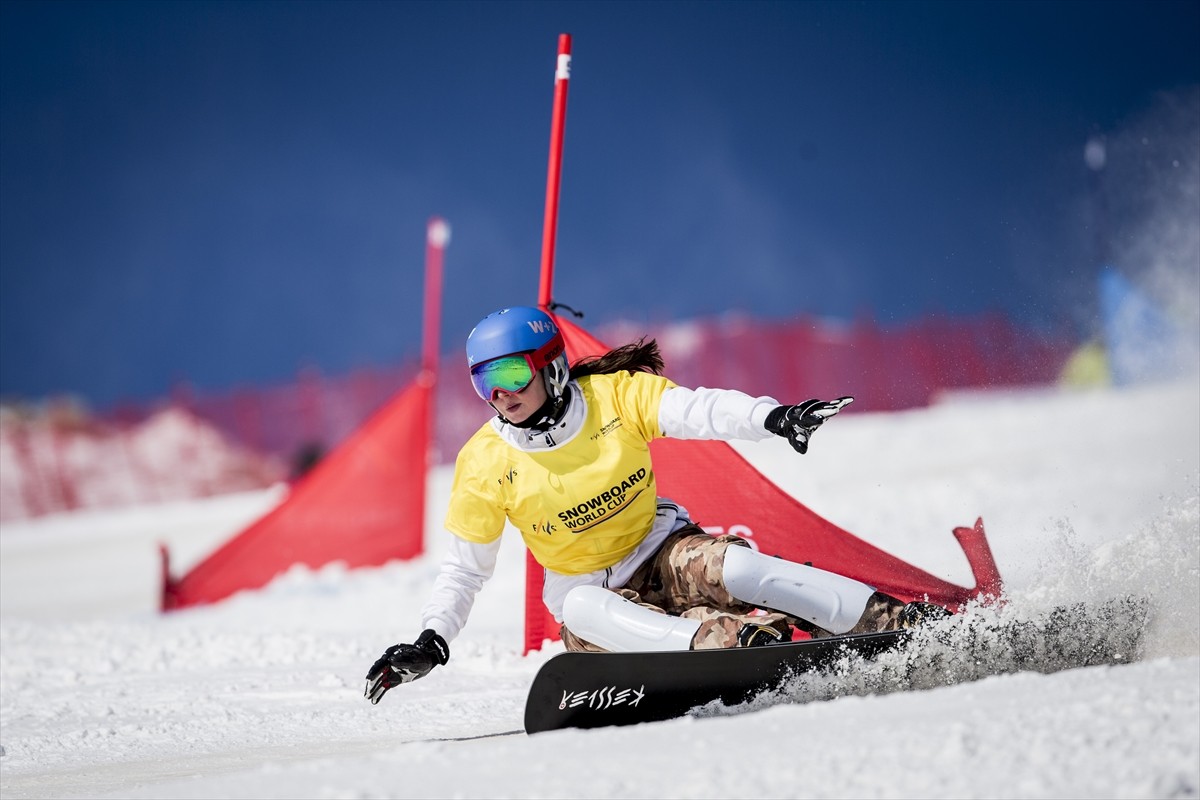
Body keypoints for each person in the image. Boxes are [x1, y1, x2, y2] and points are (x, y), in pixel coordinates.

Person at [365, 306, 946, 704]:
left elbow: (699, 409)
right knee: (582, 605)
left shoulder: (614, 397)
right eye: (483, 381)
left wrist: (772, 416)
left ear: (551, 366)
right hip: (600, 609)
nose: (499, 393)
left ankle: (899, 624)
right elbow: (465, 570)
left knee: (737, 566)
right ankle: (732, 645)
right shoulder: (484, 461)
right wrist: (432, 640)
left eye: (512, 372)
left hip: (663, 553)